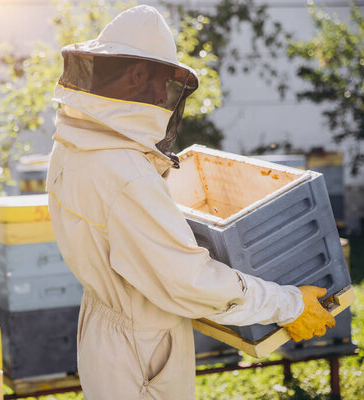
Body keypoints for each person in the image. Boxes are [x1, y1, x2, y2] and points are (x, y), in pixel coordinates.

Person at [46, 5, 335, 399]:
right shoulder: (124, 172)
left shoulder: (73, 144)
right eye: (164, 81)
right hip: (141, 351)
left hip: (106, 330)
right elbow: (189, 281)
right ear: (136, 75)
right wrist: (289, 305)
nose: (164, 96)